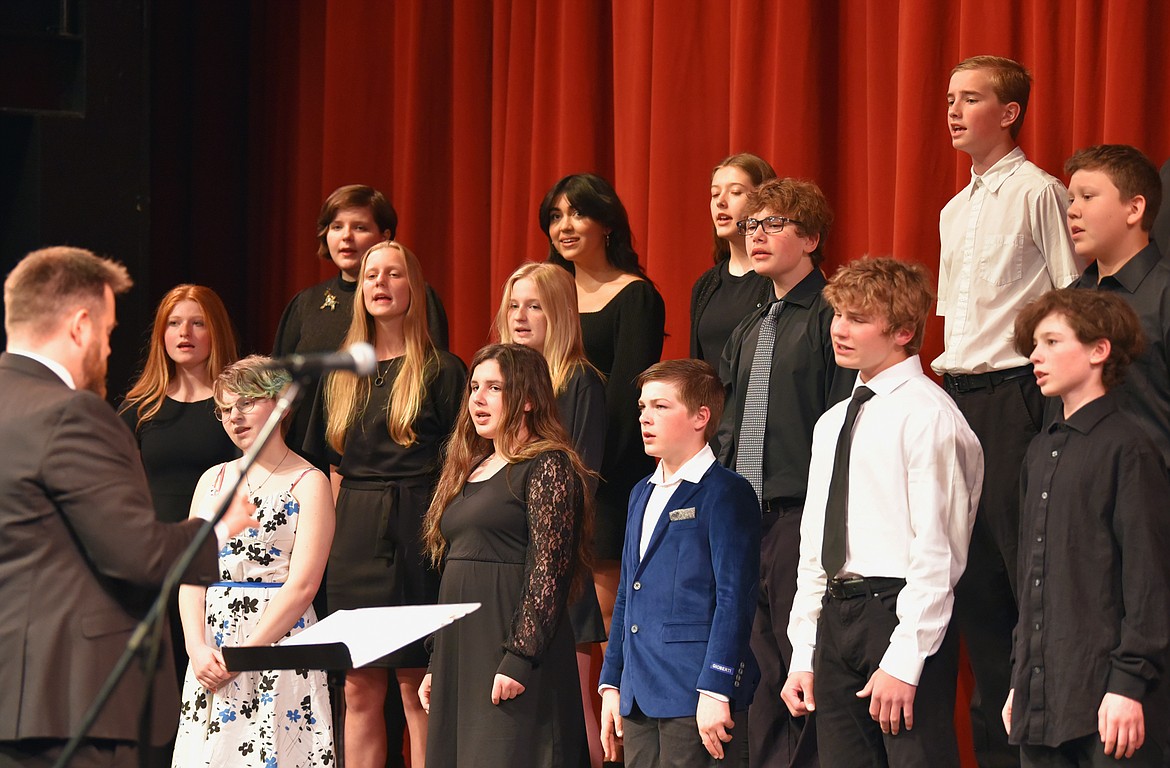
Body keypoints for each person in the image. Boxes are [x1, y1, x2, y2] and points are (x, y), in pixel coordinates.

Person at [0, 246, 255, 767]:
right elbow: (138, 553)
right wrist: (215, 527)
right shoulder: (73, 414)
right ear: (81, 326)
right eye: (110, 332)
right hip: (72, 698)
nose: (109, 350)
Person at [936, 55, 1081, 768]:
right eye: (952, 98)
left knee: (1026, 575)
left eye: (973, 99)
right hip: (957, 400)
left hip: (1018, 398)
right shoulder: (953, 210)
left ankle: (1046, 746)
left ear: (1011, 111)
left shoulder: (1040, 193)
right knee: (974, 587)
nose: (956, 111)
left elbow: (1072, 297)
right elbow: (953, 323)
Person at [783, 256, 984, 767]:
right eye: (837, 315)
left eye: (858, 318)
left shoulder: (928, 416)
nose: (839, 329)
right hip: (838, 613)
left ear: (902, 332)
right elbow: (816, 541)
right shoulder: (833, 422)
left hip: (896, 610)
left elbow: (939, 550)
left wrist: (906, 657)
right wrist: (804, 651)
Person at [716, 176, 855, 767]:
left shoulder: (831, 318)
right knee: (758, 661)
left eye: (774, 224)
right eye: (752, 224)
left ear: (812, 237)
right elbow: (728, 419)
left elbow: (843, 420)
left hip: (803, 512)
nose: (757, 234)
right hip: (748, 514)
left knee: (803, 660)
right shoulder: (752, 322)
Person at [1006, 289, 1170, 767]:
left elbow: (1149, 581)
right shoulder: (1039, 451)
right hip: (1042, 700)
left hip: (1106, 705)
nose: (1036, 356)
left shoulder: (1129, 448)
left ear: (1099, 351)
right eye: (1035, 344)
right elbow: (1030, 580)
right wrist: (1023, 680)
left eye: (1053, 342)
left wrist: (1128, 685)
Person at [323, 240, 465, 768]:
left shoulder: (443, 370)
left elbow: (460, 468)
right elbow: (332, 467)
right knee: (358, 689)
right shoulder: (341, 374)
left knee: (415, 686)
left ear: (414, 289)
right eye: (370, 275)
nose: (379, 283)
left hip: (416, 531)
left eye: (393, 274)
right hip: (354, 534)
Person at [418, 343, 592, 768]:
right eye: (475, 387)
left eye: (494, 387)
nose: (477, 398)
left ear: (528, 399)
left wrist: (520, 656)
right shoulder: (472, 468)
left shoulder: (548, 465)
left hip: (511, 647)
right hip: (463, 648)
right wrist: (437, 661)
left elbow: (549, 571)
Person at [174, 355, 335, 767]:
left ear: (280, 403)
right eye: (225, 409)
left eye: (245, 403)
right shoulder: (213, 480)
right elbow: (191, 572)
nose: (234, 417)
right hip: (213, 648)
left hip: (277, 643)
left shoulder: (309, 481)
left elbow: (303, 584)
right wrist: (195, 646)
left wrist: (245, 653)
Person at [599, 359, 761, 767]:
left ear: (700, 417)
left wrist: (717, 687)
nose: (645, 418)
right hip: (639, 694)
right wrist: (612, 683)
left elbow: (734, 598)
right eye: (641, 407)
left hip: (694, 693)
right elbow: (627, 594)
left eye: (660, 406)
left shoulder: (726, 492)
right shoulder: (641, 492)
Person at [541, 173, 666, 652]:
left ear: (607, 223)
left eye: (577, 213)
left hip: (605, 476)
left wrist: (584, 479)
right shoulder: (547, 293)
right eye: (555, 216)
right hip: (543, 471)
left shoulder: (635, 296)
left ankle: (610, 723)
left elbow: (625, 405)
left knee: (601, 615)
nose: (564, 226)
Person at [495, 261, 608, 768]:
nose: (521, 316)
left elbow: (578, 476)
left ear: (559, 313)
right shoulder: (493, 384)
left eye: (534, 306)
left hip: (556, 564)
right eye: (514, 305)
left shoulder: (580, 382)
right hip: (503, 561)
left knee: (570, 703)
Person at [119, 284, 242, 714]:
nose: (184, 332)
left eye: (197, 323)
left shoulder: (238, 408)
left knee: (208, 684)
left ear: (216, 332)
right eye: (173, 323)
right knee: (153, 690)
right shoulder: (140, 408)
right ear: (161, 334)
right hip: (155, 560)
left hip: (219, 560)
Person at [273, 183, 449, 471]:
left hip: (388, 461)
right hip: (306, 460)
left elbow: (434, 379)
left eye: (359, 227)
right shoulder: (306, 304)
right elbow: (279, 383)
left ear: (385, 236)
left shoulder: (414, 296)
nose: (346, 237)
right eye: (336, 226)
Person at [1063, 145, 1170, 465]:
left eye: (1088, 196)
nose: (1072, 210)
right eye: (1071, 199)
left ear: (1134, 208)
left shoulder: (1163, 296)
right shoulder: (1067, 301)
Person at [690, 153, 777, 373]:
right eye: (714, 193)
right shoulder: (706, 285)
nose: (721, 201)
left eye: (736, 192)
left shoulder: (778, 279)